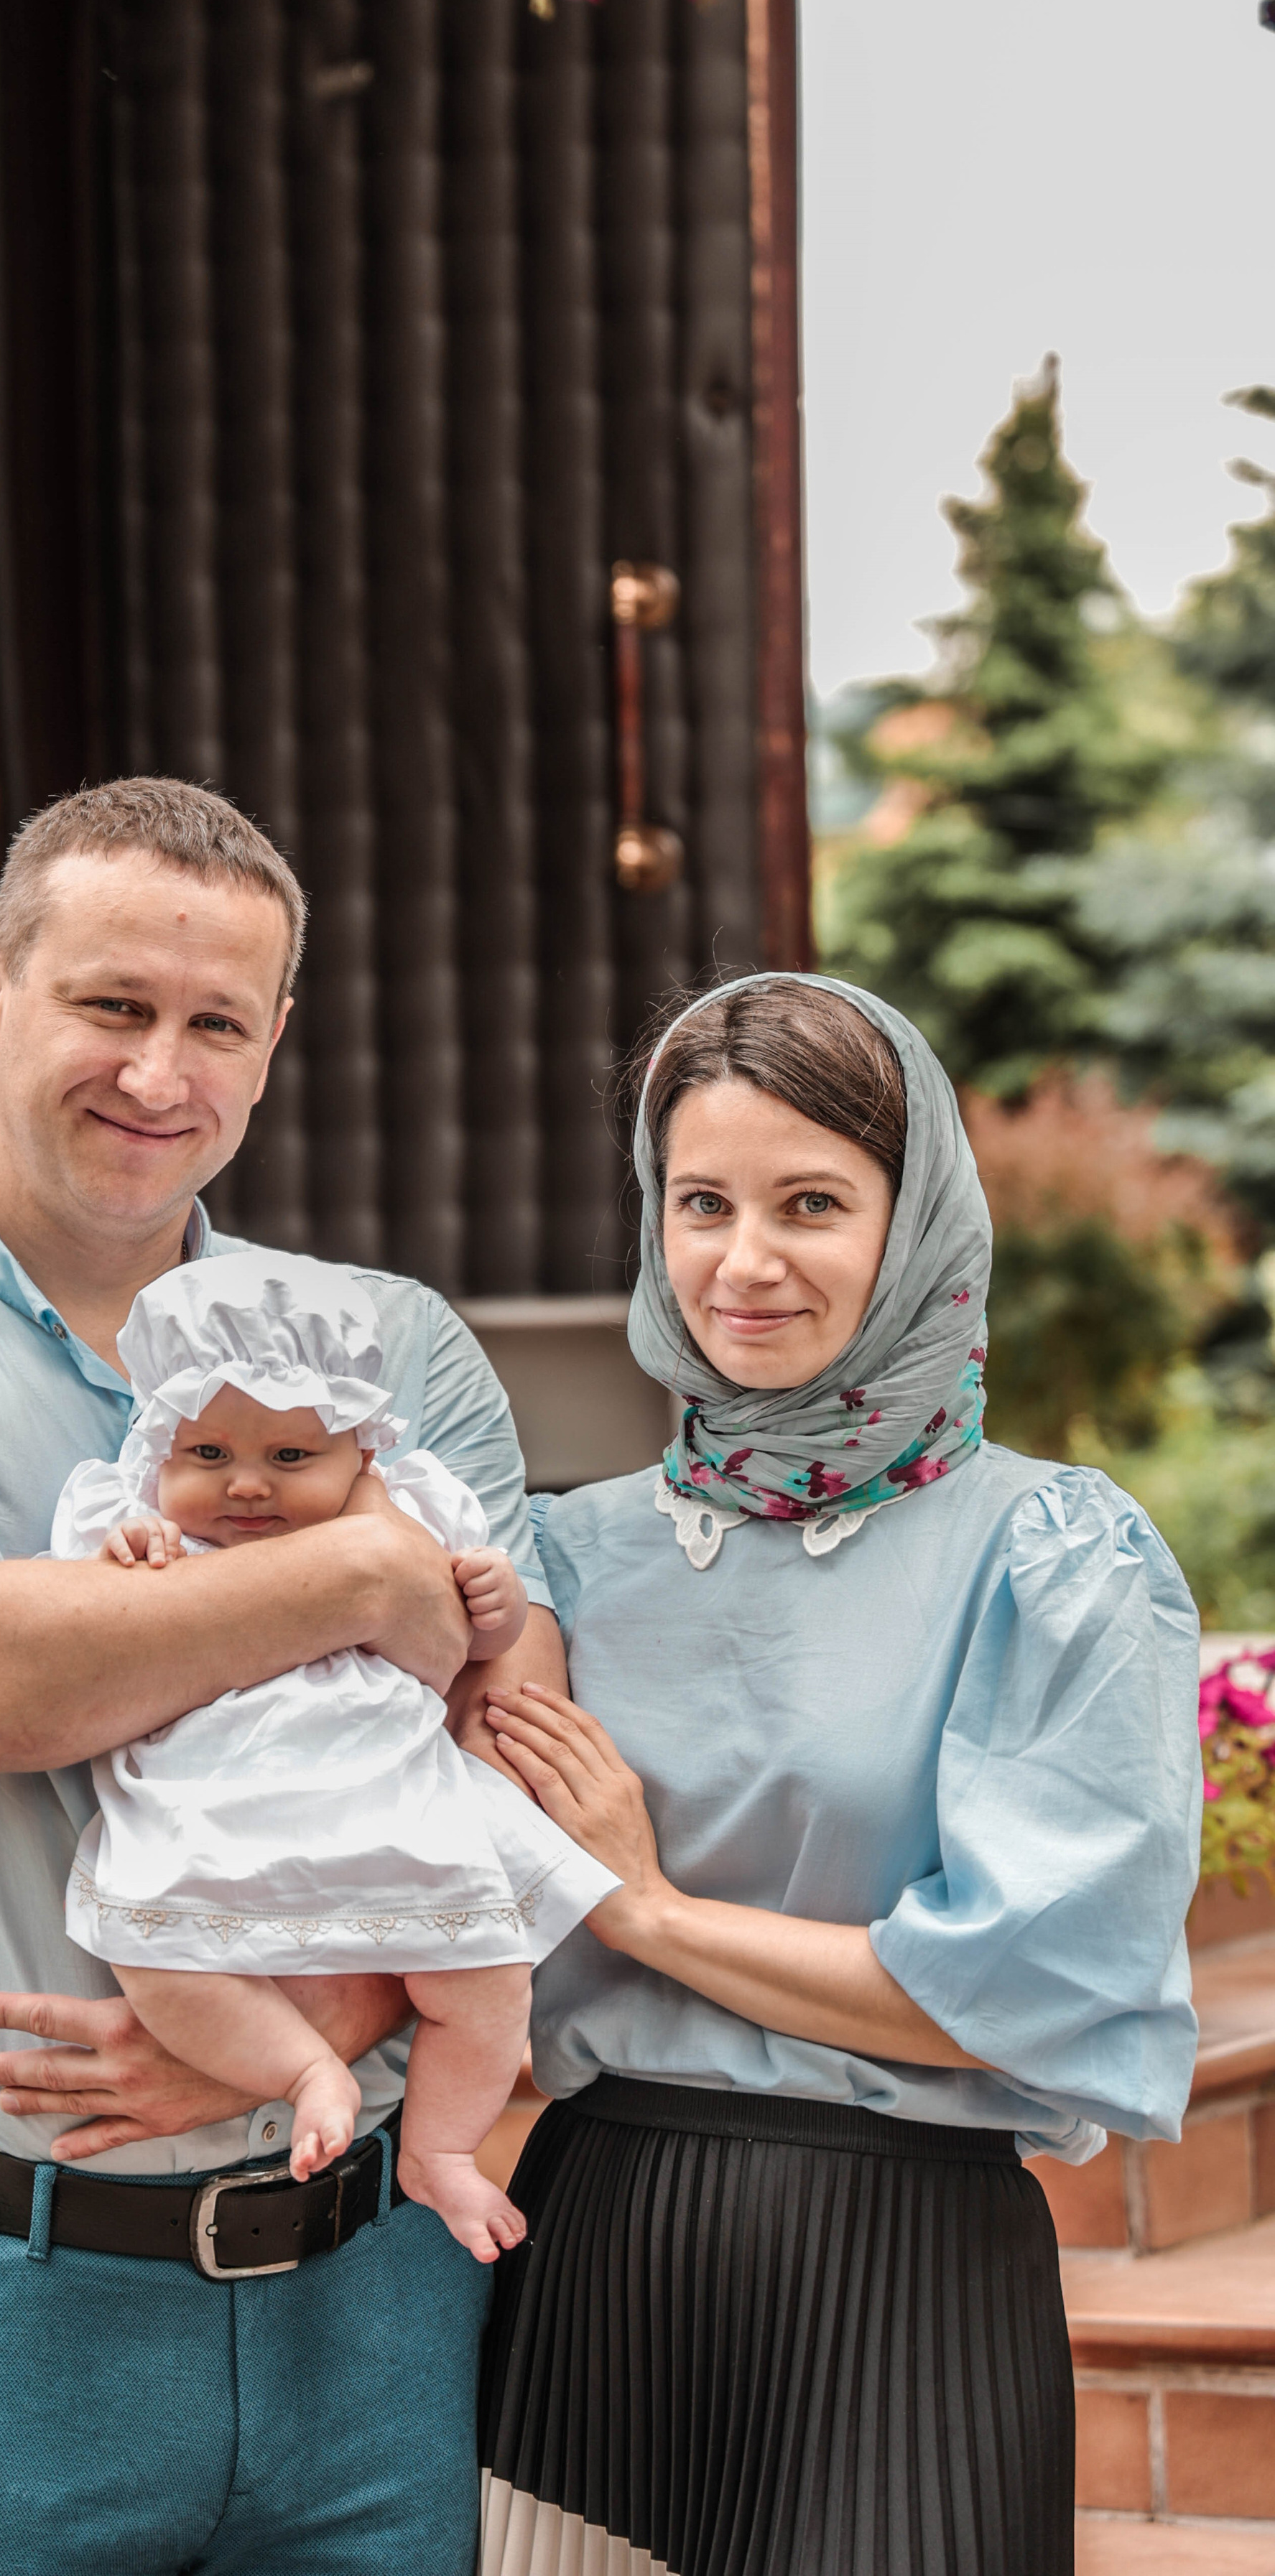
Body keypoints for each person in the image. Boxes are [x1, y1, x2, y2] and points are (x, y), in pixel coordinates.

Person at [0, 776, 570, 2576]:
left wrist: (316, 2037)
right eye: (111, 1007)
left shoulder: (386, 1348)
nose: (160, 1073)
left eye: (214, 1023)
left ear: (273, 1041)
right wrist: (365, 1571)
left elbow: (510, 1755)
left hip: (366, 2303)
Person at [478, 972, 1201, 2576]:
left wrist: (646, 1910)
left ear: (916, 1217)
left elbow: (1015, 1984)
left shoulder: (1051, 1559)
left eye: (811, 1202)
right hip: (599, 2254)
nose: (744, 1262)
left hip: (909, 2269)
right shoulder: (554, 1563)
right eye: (699, 1203)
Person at [54, 1249, 617, 2259]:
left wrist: (492, 1609)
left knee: (489, 1975)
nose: (247, 1488)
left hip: (387, 1794)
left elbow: (476, 1647)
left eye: (291, 1459)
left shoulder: (415, 1507)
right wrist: (125, 1563)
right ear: (158, 1447)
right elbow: (79, 1629)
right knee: (159, 1957)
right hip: (209, 1804)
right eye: (210, 1456)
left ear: (361, 1451)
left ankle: (440, 2151)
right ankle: (304, 2070)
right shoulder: (129, 1516)